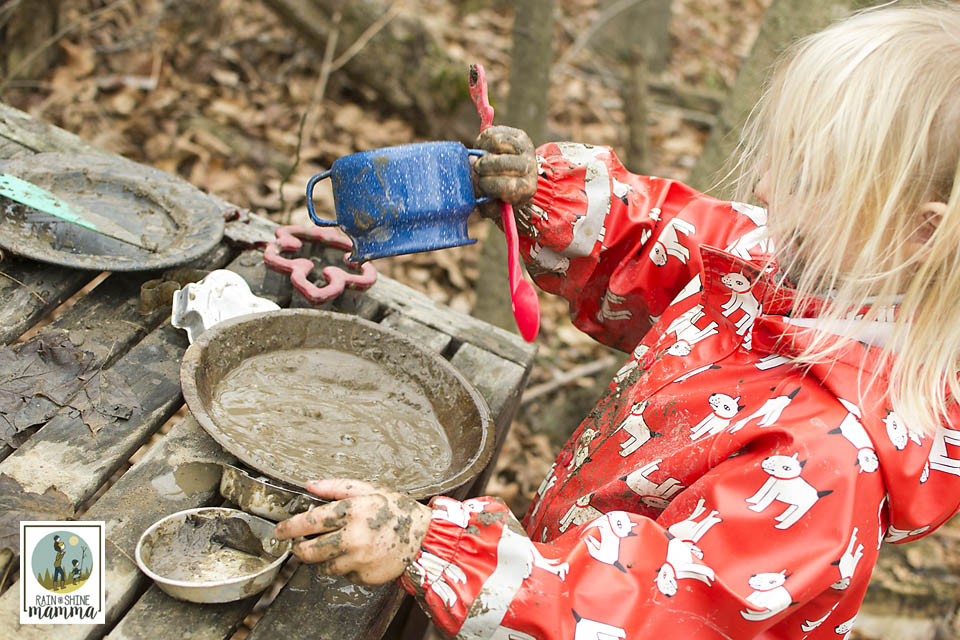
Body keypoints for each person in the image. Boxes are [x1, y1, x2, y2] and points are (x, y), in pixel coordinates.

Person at [275, 4, 960, 638]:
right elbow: (657, 243)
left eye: (808, 178)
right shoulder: (782, 257)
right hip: (555, 557)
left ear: (916, 235)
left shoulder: (824, 467)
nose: (763, 189)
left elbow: (643, 615)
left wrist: (437, 548)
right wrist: (546, 198)